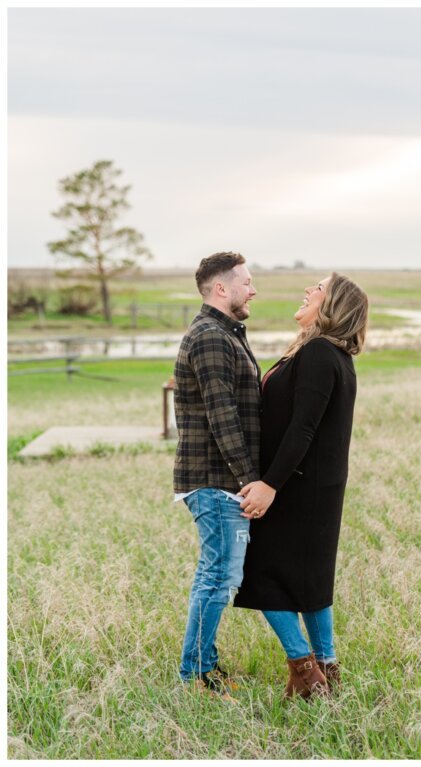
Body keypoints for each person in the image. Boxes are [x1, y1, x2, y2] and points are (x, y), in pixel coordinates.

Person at [232, 273, 368, 699]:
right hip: (316, 487)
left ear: (332, 306)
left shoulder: (318, 355)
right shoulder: (333, 357)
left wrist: (269, 485)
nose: (309, 290)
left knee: (264, 576)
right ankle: (326, 666)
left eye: (319, 288)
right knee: (311, 582)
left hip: (297, 488)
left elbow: (303, 429)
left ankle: (306, 671)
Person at [173, 251, 261, 701]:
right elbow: (221, 414)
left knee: (216, 575)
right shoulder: (210, 336)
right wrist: (249, 479)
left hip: (220, 477)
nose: (253, 289)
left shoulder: (225, 333)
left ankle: (202, 665)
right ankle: (196, 675)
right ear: (221, 288)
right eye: (246, 281)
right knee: (216, 578)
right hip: (215, 478)